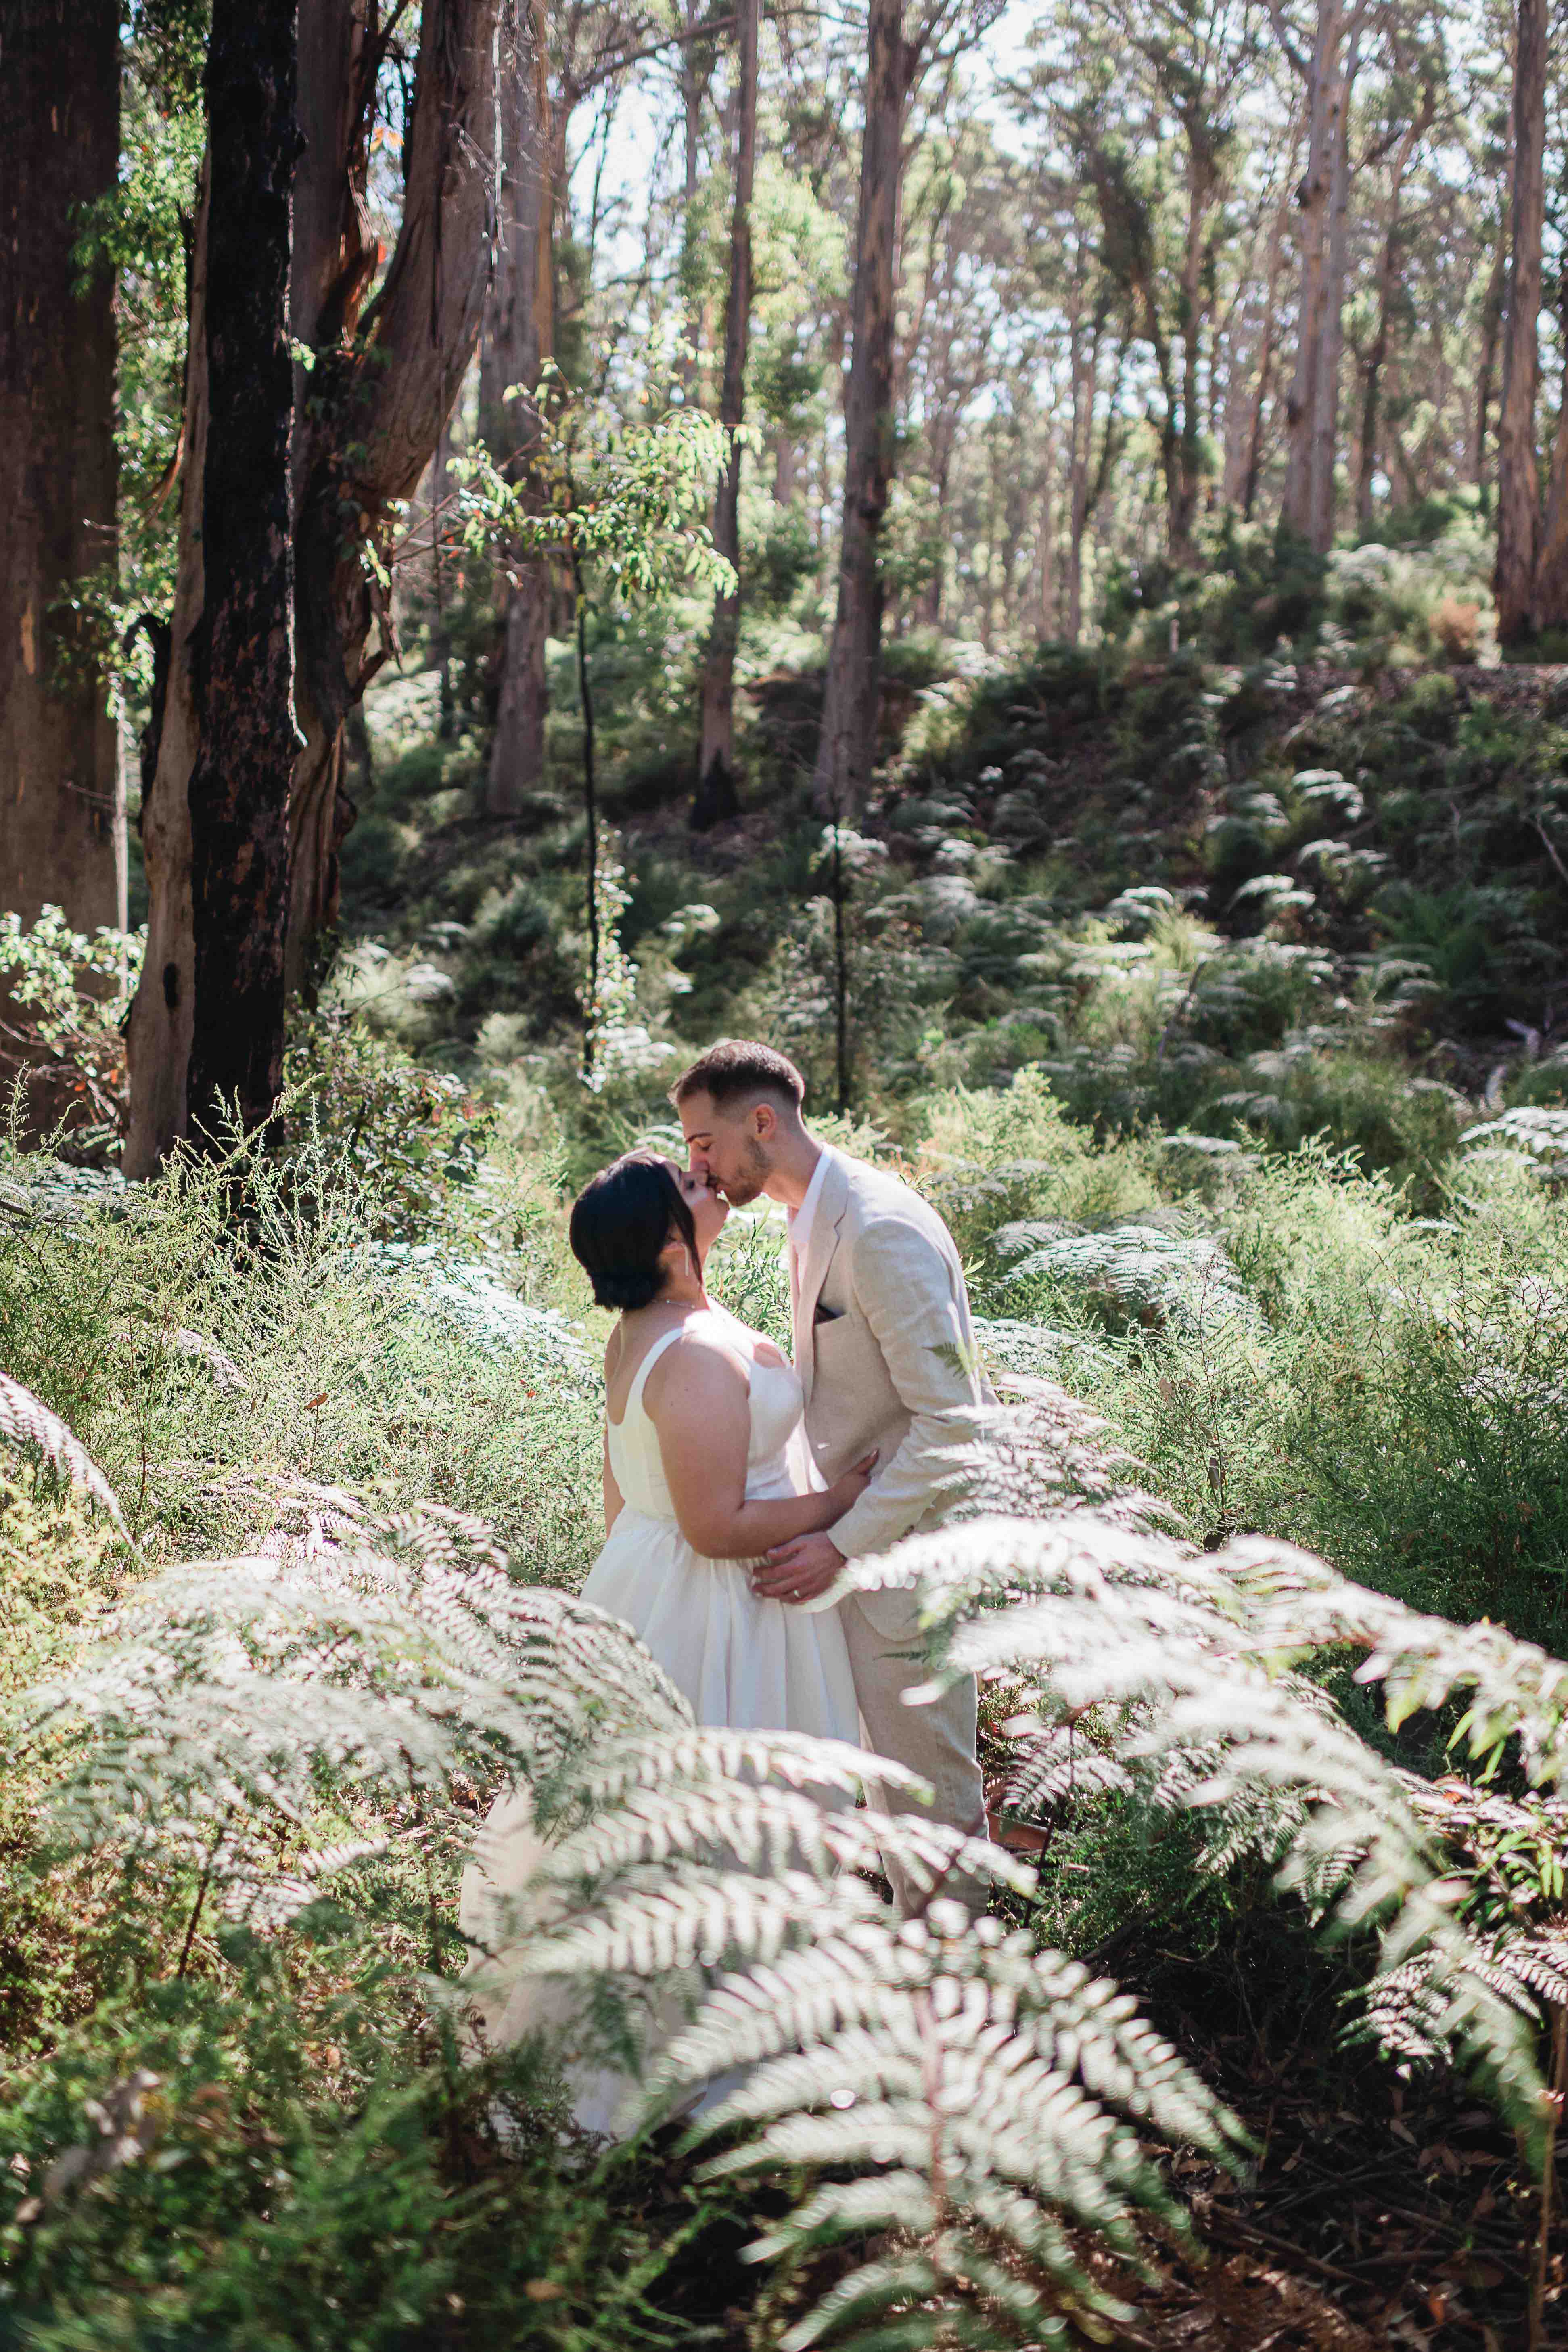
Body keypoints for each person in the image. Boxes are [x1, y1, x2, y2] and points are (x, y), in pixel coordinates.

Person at [458, 1149, 871, 2121]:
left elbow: (619, 1498)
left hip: (658, 1579)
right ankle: (678, 2056)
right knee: (709, 1821)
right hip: (718, 1595)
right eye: (687, 1191)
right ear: (665, 1244)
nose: (708, 1187)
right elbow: (714, 1525)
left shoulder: (649, 1331)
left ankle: (746, 2025)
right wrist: (839, 1504)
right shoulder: (685, 1354)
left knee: (690, 1818)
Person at [673, 1038, 992, 1912]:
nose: (694, 1163)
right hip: (864, 1542)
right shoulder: (806, 1217)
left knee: (925, 1785)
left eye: (704, 1142)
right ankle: (915, 1976)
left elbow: (956, 1424)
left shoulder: (877, 1228)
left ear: (762, 1122)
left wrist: (843, 1545)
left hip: (912, 1555)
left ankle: (958, 1995)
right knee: (887, 1784)